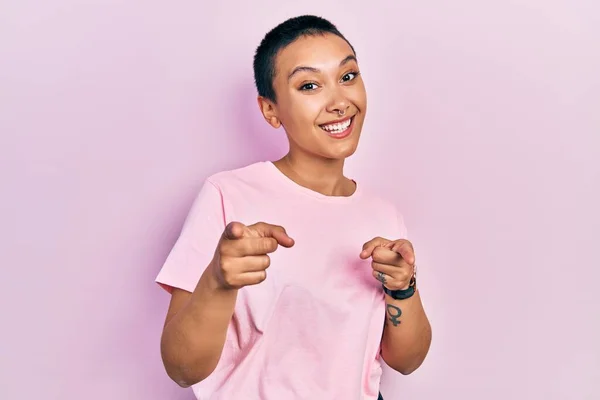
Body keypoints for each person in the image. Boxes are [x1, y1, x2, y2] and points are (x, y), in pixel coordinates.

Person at [156, 15, 432, 400]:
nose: (339, 102)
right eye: (309, 85)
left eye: (348, 76)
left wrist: (403, 288)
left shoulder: (384, 214)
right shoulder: (229, 195)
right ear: (271, 110)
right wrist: (219, 282)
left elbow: (406, 360)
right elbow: (182, 368)